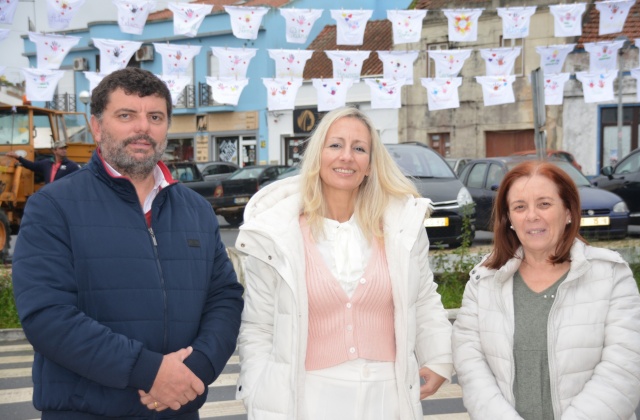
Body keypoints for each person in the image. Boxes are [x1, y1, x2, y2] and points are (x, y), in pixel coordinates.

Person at [12, 67, 244, 419]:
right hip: (85, 411)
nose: (143, 128)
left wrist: (197, 368)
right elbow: (48, 316)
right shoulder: (53, 206)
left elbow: (224, 298)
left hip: (177, 407)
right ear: (97, 126)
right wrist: (150, 372)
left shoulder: (195, 210)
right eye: (126, 115)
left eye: (155, 116)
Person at [235, 106, 453, 419]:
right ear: (317, 156)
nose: (346, 156)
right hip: (309, 399)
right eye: (335, 145)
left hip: (386, 398)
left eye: (359, 148)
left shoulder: (402, 226)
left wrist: (439, 356)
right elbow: (258, 327)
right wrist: (258, 392)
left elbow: (423, 298)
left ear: (370, 165)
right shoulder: (275, 234)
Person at [452, 160, 640, 420]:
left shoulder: (611, 276)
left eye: (544, 204)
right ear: (509, 218)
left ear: (568, 211)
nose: (532, 215)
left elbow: (623, 372)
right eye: (520, 207)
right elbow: (471, 369)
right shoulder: (483, 281)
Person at [7, 140, 80, 184]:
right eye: (61, 148)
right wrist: (18, 157)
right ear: (54, 151)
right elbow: (32, 165)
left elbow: (79, 180)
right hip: (49, 195)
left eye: (65, 148)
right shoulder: (46, 163)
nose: (64, 150)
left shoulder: (72, 166)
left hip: (62, 196)